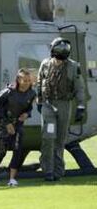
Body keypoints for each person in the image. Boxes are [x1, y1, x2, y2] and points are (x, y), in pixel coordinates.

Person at [37, 37, 86, 181]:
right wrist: (40, 102)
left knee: (60, 140)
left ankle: (58, 172)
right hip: (48, 106)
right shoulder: (45, 64)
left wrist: (81, 106)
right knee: (49, 137)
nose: (59, 61)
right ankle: (48, 171)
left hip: (64, 105)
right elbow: (40, 82)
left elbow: (79, 88)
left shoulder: (73, 66)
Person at [0, 68, 36, 186]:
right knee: (2, 151)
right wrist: (7, 124)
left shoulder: (32, 93)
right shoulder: (8, 92)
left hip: (17, 123)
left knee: (17, 149)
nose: (26, 83)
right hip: (1, 122)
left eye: (28, 80)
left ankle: (12, 179)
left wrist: (27, 114)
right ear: (18, 80)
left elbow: (29, 108)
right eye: (24, 80)